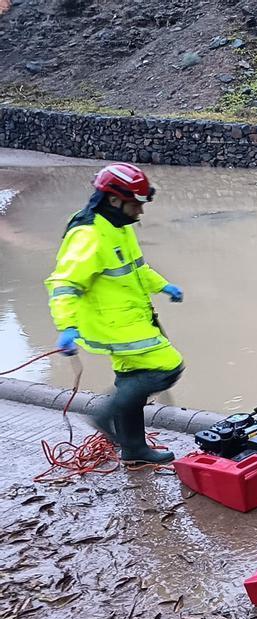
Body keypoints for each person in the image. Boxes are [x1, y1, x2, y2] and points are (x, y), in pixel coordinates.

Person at [44, 162, 185, 466]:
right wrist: (67, 326)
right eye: (136, 204)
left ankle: (134, 450)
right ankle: (103, 414)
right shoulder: (89, 236)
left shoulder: (118, 227)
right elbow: (64, 283)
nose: (140, 212)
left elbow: (137, 270)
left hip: (130, 318)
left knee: (131, 381)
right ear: (114, 200)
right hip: (113, 325)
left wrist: (164, 286)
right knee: (168, 367)